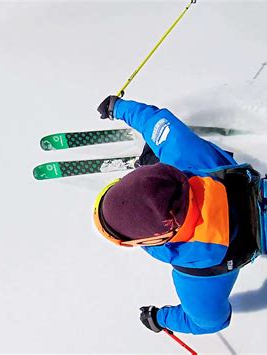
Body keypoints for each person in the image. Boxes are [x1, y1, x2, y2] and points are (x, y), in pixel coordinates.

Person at [94, 95, 246, 335]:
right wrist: (119, 107)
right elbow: (155, 121)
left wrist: (161, 318)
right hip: (223, 176)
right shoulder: (185, 157)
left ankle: (148, 160)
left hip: (232, 241)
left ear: (154, 239)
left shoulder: (199, 270)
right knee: (175, 148)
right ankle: (150, 161)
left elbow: (209, 322)